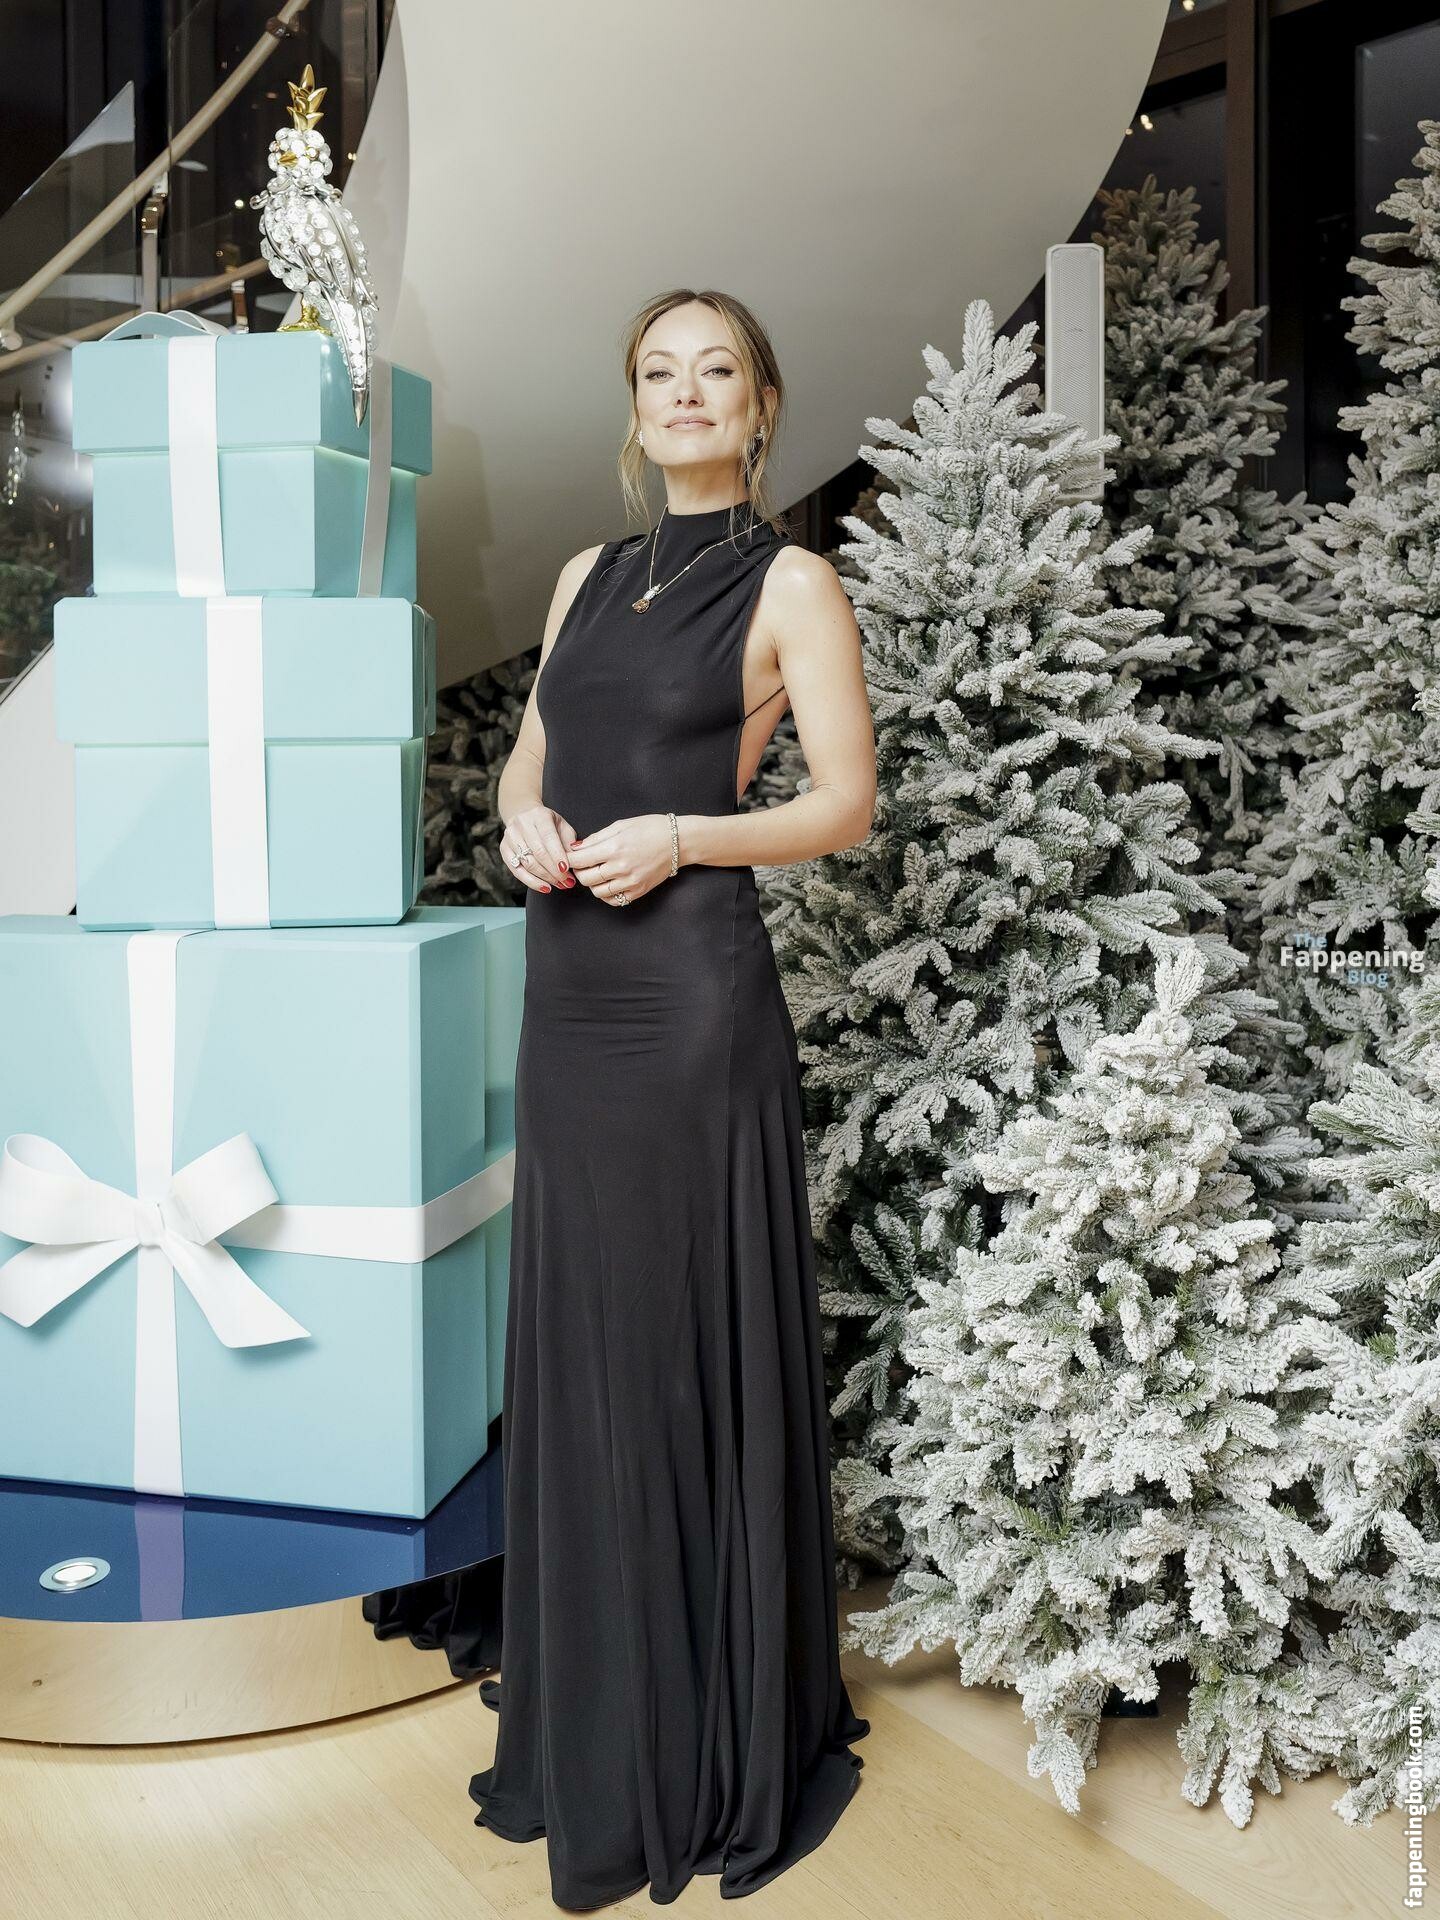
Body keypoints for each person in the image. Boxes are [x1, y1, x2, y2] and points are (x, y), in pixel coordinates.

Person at [469, 286, 877, 1910]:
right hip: (568, 993)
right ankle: (603, 1714)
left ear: (761, 406)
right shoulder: (585, 572)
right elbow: (533, 754)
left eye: (719, 370)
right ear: (634, 410)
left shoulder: (792, 582)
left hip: (692, 997)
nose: (688, 392)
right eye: (661, 371)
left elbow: (844, 804)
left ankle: (701, 1738)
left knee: (671, 1338)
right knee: (587, 1337)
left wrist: (689, 836)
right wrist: (521, 821)